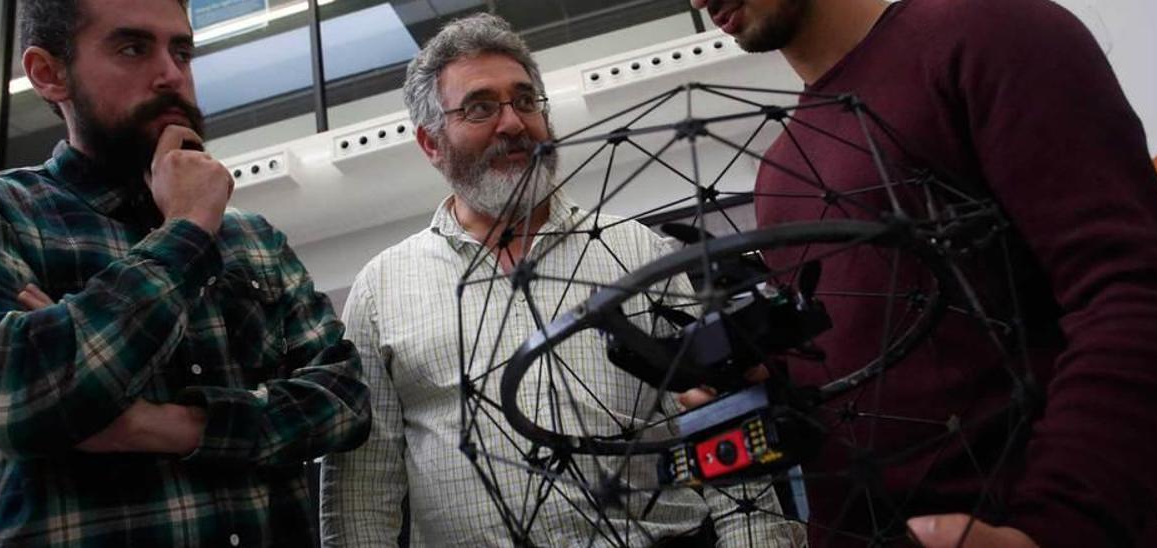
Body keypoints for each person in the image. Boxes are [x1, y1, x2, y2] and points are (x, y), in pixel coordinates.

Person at [687, 0, 1157, 546]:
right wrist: (768, 380)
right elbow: (884, 369)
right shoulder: (779, 177)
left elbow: (1135, 295)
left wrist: (1053, 529)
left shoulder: (986, 34)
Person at [319, 13, 805, 547]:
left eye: (525, 101)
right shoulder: (380, 288)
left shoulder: (637, 250)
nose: (513, 123)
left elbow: (722, 417)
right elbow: (364, 488)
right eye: (481, 107)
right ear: (431, 143)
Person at [0, 0, 371, 545]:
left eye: (182, 51)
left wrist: (160, 424)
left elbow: (343, 403)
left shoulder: (252, 238)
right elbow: (18, 399)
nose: (172, 75)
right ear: (49, 74)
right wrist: (188, 229)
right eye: (132, 48)